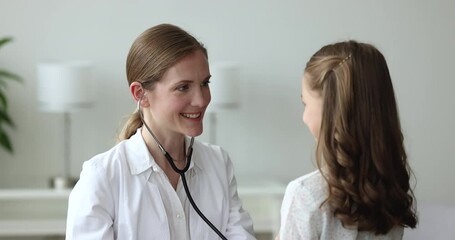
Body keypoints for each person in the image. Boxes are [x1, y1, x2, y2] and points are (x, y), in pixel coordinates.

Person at [66, 23, 256, 240]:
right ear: (140, 94)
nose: (201, 100)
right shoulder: (102, 178)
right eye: (183, 87)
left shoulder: (218, 163)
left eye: (205, 83)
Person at [277, 40, 417, 239]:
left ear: (330, 111)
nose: (304, 117)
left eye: (305, 104)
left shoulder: (305, 195)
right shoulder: (390, 193)